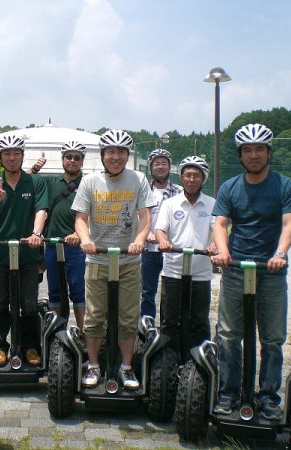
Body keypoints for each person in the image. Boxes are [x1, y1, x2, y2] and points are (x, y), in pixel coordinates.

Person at [210, 123, 291, 421]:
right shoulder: (230, 187)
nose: (253, 155)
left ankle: (269, 397)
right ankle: (228, 392)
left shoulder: (284, 185)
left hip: (271, 272)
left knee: (273, 338)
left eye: (259, 149)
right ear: (240, 154)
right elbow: (221, 223)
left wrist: (280, 254)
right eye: (248, 150)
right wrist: (223, 251)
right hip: (237, 270)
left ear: (267, 153)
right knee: (228, 335)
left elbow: (289, 223)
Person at [72, 129, 155, 389]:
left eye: (121, 152)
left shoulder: (138, 179)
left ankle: (126, 367)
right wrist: (85, 240)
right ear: (103, 155)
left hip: (128, 261)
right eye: (111, 152)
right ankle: (93, 365)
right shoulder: (90, 181)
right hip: (98, 260)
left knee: (128, 317)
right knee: (95, 316)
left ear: (127, 155)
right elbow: (80, 219)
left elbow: (145, 216)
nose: (116, 157)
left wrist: (140, 240)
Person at [0, 134, 48, 367]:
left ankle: (30, 347)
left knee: (29, 303)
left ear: (22, 156)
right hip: (0, 254)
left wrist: (37, 234)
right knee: (0, 302)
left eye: (16, 153)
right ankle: (0, 347)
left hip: (27, 253)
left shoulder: (35, 182)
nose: (11, 158)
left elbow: (41, 210)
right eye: (7, 153)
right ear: (0, 157)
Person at [155, 156, 216, 359]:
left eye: (196, 175)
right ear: (181, 177)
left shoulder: (211, 204)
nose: (191, 179)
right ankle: (168, 362)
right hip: (173, 270)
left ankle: (198, 361)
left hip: (201, 273)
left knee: (199, 320)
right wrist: (163, 241)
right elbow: (160, 230)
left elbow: (217, 230)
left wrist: (215, 244)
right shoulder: (170, 204)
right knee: (170, 320)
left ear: (203, 178)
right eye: (187, 175)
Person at [35, 141, 87, 329]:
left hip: (76, 246)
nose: (72, 161)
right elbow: (23, 181)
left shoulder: (88, 182)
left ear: (82, 161)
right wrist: (35, 167)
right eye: (68, 157)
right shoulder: (51, 181)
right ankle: (57, 332)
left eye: (77, 157)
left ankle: (83, 332)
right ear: (62, 159)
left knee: (77, 291)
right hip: (52, 244)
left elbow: (94, 212)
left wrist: (77, 233)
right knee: (55, 291)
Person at [141, 149, 181, 319]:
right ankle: (147, 325)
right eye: (156, 163)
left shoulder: (179, 191)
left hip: (170, 249)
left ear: (170, 167)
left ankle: (167, 325)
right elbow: (137, 215)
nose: (160, 167)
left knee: (170, 291)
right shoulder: (144, 190)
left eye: (164, 163)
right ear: (151, 167)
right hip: (149, 249)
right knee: (147, 291)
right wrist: (147, 234)